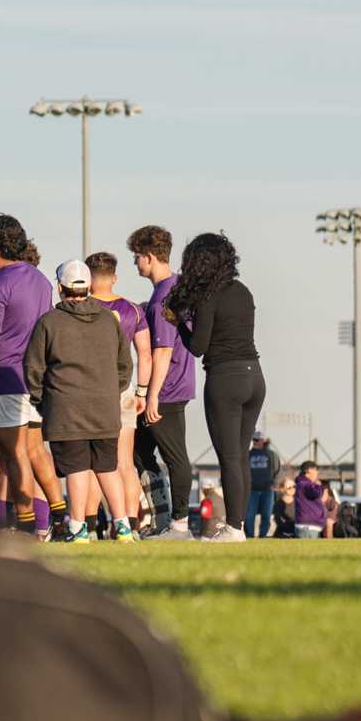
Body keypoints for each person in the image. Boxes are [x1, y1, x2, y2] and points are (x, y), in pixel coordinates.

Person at [0, 214, 70, 538]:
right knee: (37, 451)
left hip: (6, 378)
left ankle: (25, 525)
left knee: (14, 455)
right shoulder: (41, 280)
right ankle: (61, 519)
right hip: (37, 380)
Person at [22, 259, 135, 543]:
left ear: (60, 287)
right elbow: (125, 366)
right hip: (106, 408)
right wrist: (110, 391)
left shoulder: (49, 322)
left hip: (65, 408)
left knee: (76, 468)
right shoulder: (109, 320)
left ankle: (77, 527)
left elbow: (32, 367)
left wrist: (42, 400)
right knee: (107, 467)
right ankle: (123, 526)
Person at [162, 232, 259, 543]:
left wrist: (178, 323)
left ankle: (232, 529)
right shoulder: (242, 291)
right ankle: (238, 526)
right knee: (240, 456)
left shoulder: (208, 295)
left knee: (229, 457)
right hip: (254, 375)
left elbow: (199, 346)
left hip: (225, 377)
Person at [129, 224, 197, 539]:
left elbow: (163, 350)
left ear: (151, 257)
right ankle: (163, 519)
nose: (135, 263)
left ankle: (180, 524)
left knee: (175, 456)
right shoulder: (175, 287)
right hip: (167, 386)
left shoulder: (163, 299)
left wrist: (151, 395)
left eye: (138, 256)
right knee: (139, 453)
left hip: (166, 390)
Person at [86, 252, 152, 530]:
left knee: (89, 463)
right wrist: (142, 392)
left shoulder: (80, 307)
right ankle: (129, 525)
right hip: (124, 389)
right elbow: (145, 354)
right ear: (114, 278)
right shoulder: (133, 310)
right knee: (125, 462)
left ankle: (87, 526)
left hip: (88, 391)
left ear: (88, 279)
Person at [244, 433, 280, 540]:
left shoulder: (271, 454)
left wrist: (274, 484)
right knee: (249, 515)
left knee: (266, 515)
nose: (255, 442)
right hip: (252, 490)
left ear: (263, 441)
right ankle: (250, 536)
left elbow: (278, 470)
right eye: (254, 440)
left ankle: (263, 537)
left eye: (257, 440)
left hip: (267, 490)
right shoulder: (248, 454)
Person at [291, 461, 329, 538]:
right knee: (306, 550)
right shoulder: (305, 484)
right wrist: (319, 486)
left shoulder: (303, 483)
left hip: (309, 526)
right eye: (315, 470)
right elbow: (316, 493)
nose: (317, 473)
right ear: (309, 470)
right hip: (307, 527)